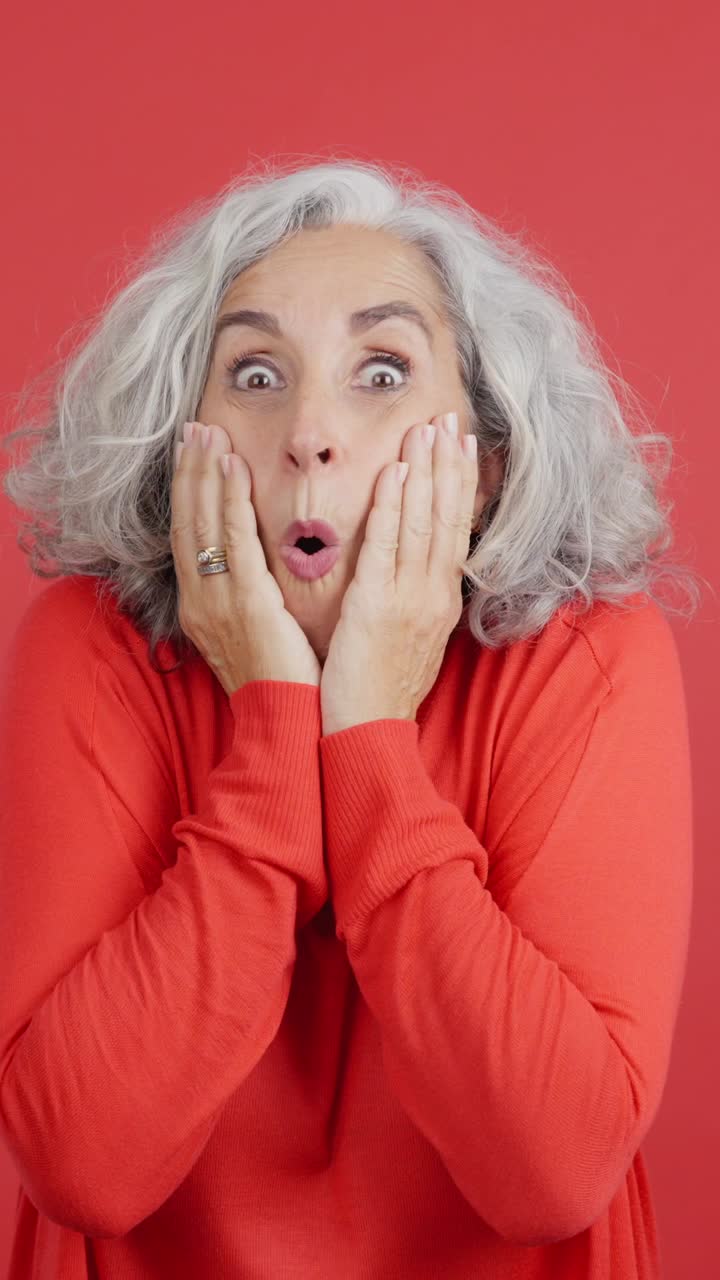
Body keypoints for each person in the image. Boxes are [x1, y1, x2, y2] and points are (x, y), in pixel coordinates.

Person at [0, 158, 703, 1279]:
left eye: (381, 370)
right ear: (180, 440)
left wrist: (368, 729)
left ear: (484, 463)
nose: (310, 432)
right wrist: (278, 726)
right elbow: (83, 1158)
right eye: (257, 373)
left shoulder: (590, 661)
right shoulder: (91, 648)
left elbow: (554, 1168)